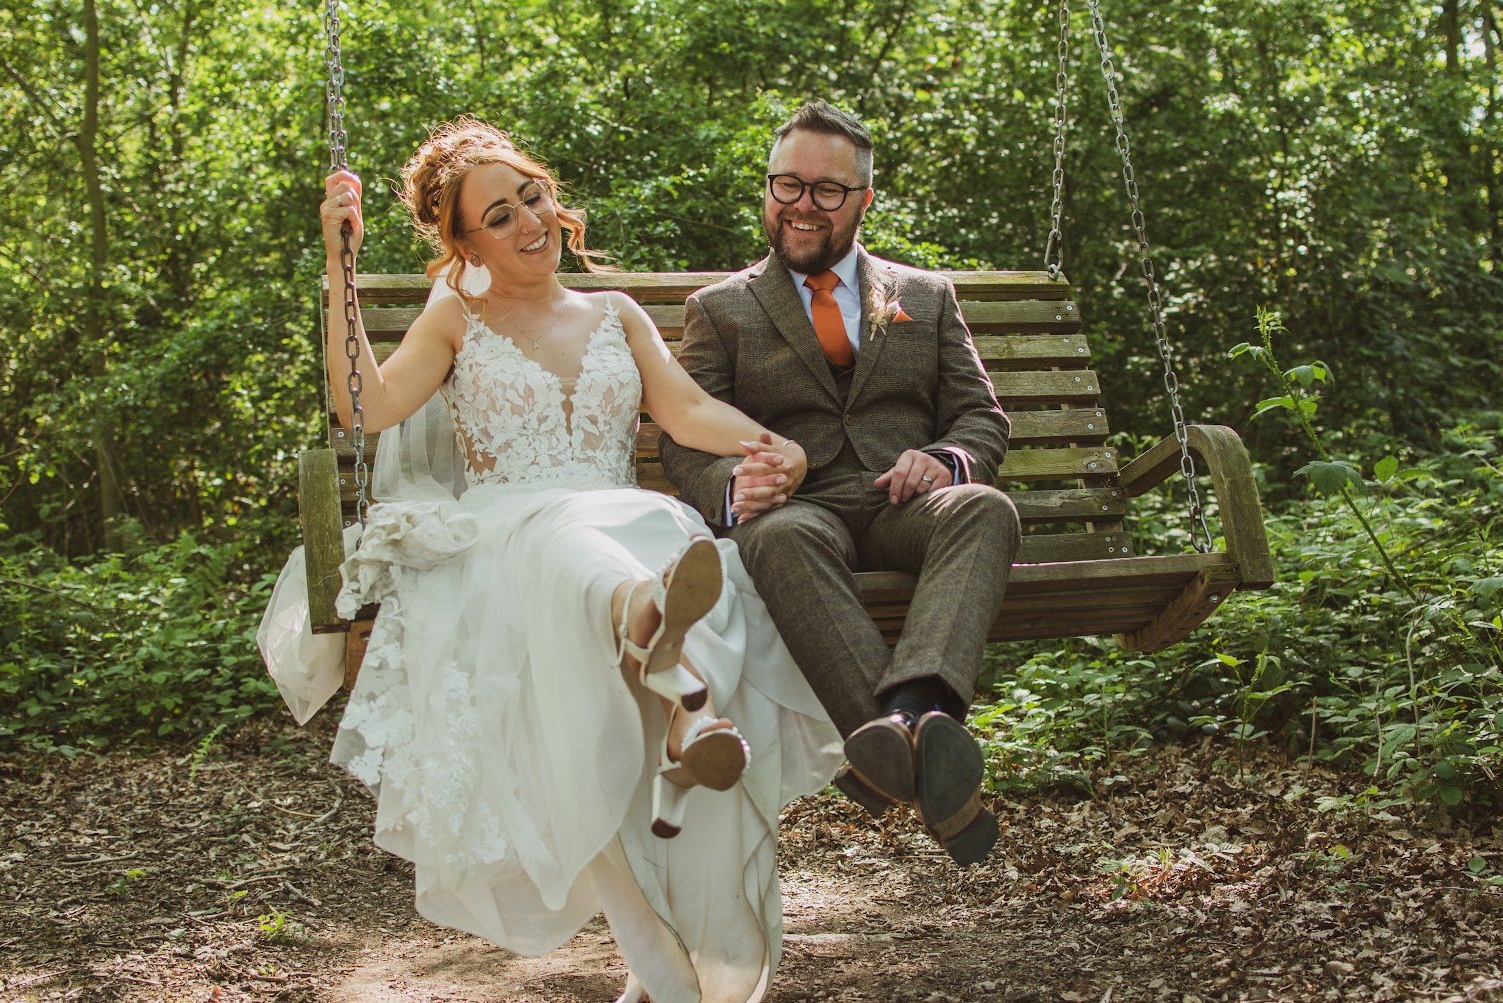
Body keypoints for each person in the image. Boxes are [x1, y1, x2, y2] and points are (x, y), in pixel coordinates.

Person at [256, 117, 840, 1003]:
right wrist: (341, 264)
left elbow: (686, 412)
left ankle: (675, 690)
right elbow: (364, 406)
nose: (529, 221)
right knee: (572, 556)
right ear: (464, 243)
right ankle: (655, 635)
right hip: (513, 538)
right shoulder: (457, 318)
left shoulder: (616, 315)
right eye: (499, 215)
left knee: (673, 547)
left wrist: (776, 445)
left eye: (531, 197)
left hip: (628, 519)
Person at [660, 101, 1021, 867]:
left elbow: (981, 417)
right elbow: (684, 437)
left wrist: (946, 458)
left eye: (827, 190)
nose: (802, 204)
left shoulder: (926, 296)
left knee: (984, 507)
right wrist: (735, 484)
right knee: (781, 535)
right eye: (787, 184)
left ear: (863, 200)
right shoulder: (719, 310)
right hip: (799, 508)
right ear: (768, 188)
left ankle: (899, 725)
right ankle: (913, 743)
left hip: (905, 504)